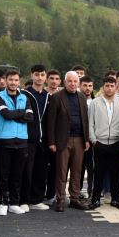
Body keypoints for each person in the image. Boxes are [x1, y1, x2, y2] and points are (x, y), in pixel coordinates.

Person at [46, 71, 90, 211]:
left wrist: (87, 139)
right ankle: (60, 199)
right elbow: (51, 122)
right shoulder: (57, 97)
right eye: (69, 81)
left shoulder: (82, 97)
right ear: (65, 82)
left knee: (77, 171)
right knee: (61, 171)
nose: (72, 84)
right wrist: (51, 142)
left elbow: (85, 119)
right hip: (62, 140)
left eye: (75, 81)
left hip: (79, 139)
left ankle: (75, 199)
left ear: (78, 83)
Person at [0, 69, 35, 215]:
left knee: (17, 175)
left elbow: (30, 117)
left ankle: (14, 203)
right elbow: (5, 114)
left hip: (22, 141)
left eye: (16, 80)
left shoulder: (24, 97)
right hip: (5, 140)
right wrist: (21, 112)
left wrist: (15, 114)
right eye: (10, 80)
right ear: (6, 80)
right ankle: (3, 203)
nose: (13, 82)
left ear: (19, 81)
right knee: (3, 175)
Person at [88, 75, 119, 209]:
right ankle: (95, 199)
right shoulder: (95, 103)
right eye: (107, 86)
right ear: (103, 87)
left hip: (116, 142)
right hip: (100, 143)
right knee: (99, 172)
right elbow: (90, 123)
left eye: (112, 86)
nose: (109, 88)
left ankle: (115, 199)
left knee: (115, 173)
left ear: (116, 87)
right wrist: (93, 140)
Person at [24, 65, 53, 208]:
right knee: (26, 170)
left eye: (42, 75)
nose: (39, 78)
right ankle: (24, 200)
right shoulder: (24, 94)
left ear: (45, 77)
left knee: (41, 171)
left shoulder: (49, 96)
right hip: (28, 139)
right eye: (37, 75)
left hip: (44, 140)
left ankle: (36, 200)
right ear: (32, 76)